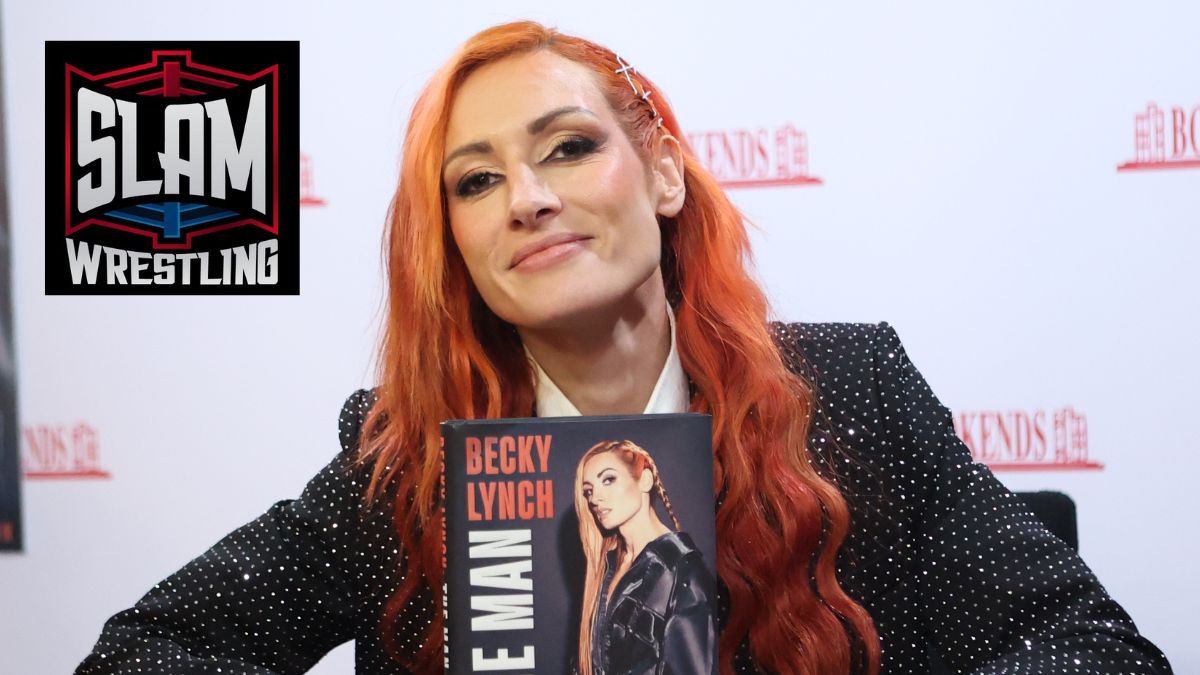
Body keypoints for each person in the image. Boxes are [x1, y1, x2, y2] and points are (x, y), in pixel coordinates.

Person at [76, 20, 1173, 675]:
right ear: (455, 242)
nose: (531, 199)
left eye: (567, 147)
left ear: (659, 175)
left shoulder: (853, 394)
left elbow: (1091, 649)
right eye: (477, 179)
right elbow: (143, 653)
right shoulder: (408, 463)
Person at [574, 440, 717, 675]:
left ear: (646, 480)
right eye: (588, 491)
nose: (594, 499)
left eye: (608, 480)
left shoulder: (683, 572)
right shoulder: (606, 567)